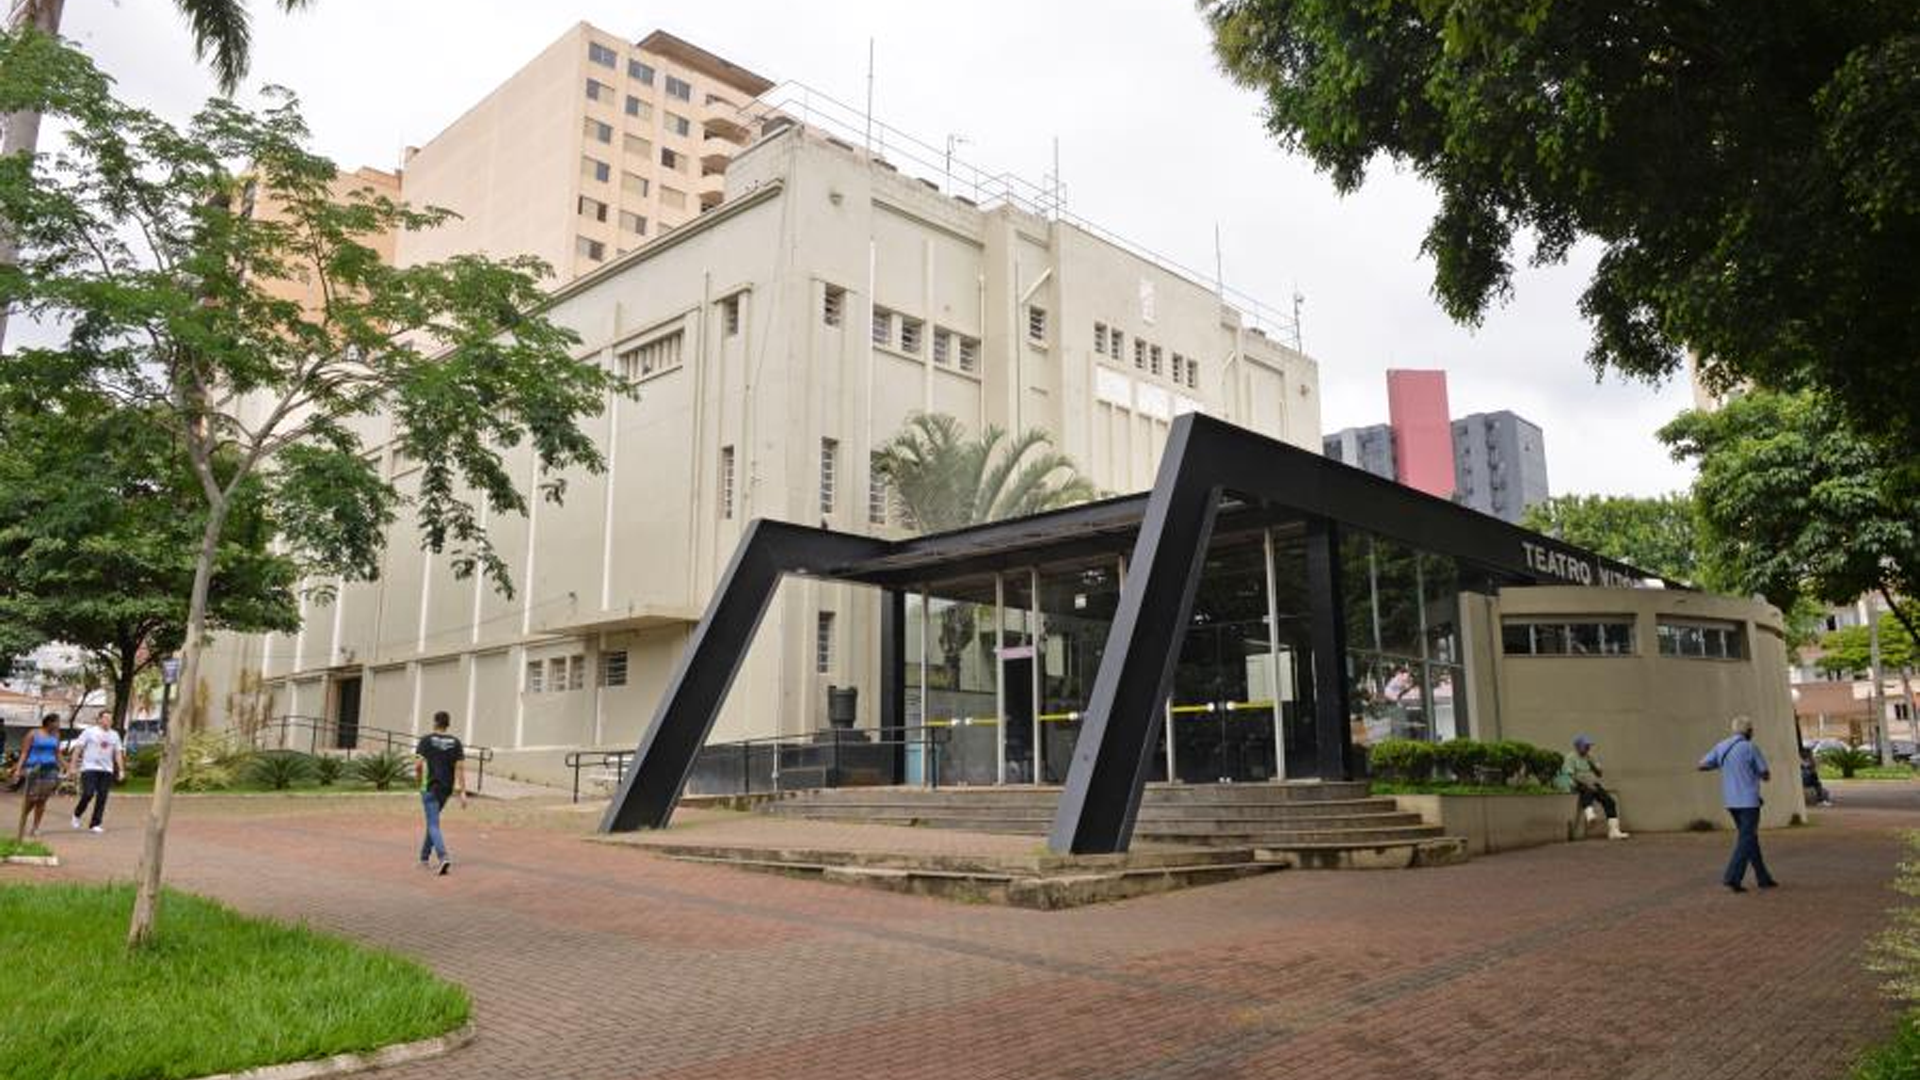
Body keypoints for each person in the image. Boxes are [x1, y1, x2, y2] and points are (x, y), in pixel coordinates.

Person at [1699, 715, 1777, 893]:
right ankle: (1732, 877)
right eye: (1752, 729)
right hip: (1749, 801)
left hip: (1730, 801)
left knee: (1750, 838)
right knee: (1746, 839)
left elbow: (1702, 765)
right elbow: (1765, 774)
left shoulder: (1722, 746)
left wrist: (1723, 766)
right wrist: (1758, 775)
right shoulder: (1750, 748)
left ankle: (1763, 877)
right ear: (1749, 730)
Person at [414, 711, 467, 875]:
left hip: (429, 788)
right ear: (448, 724)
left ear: (435, 722)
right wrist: (462, 792)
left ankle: (443, 857)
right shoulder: (456, 743)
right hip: (445, 789)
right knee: (433, 822)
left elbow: (418, 766)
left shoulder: (426, 740)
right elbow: (459, 768)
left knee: (433, 824)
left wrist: (417, 781)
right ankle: (424, 857)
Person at [1560, 735, 1630, 840]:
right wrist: (1586, 783)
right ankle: (1589, 815)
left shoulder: (1590, 757)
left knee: (1609, 801)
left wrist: (1595, 767)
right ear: (1577, 746)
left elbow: (1599, 774)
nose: (1588, 748)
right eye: (1585, 745)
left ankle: (1614, 831)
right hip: (1577, 784)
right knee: (1586, 790)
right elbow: (1570, 775)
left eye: (1589, 745)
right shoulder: (1571, 757)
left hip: (1592, 783)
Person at [68, 709, 124, 833]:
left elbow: (118, 753)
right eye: (105, 718)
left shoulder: (114, 735)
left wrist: (121, 770)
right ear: (99, 719)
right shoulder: (89, 732)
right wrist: (72, 766)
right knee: (88, 793)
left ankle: (95, 823)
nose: (108, 721)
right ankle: (77, 814)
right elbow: (78, 749)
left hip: (107, 770)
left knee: (102, 797)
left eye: (110, 719)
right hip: (89, 768)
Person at [10, 714, 65, 840]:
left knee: (42, 800)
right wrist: (18, 769)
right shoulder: (33, 734)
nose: (58, 725)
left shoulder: (56, 735)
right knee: (32, 798)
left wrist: (68, 766)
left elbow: (58, 754)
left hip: (50, 770)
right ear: (49, 722)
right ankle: (22, 821)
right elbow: (24, 752)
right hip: (34, 769)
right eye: (57, 722)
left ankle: (35, 827)